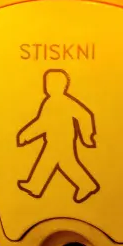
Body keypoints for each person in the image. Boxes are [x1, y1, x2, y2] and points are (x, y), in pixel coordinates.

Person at [16, 69, 100, 203]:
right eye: (47, 83)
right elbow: (42, 123)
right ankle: (35, 185)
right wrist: (27, 134)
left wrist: (87, 136)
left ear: (62, 85)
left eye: (51, 84)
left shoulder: (64, 102)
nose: (47, 87)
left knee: (61, 163)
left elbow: (84, 115)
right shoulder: (50, 102)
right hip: (54, 139)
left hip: (62, 140)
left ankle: (86, 185)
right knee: (56, 162)